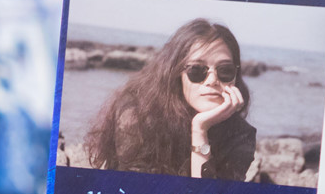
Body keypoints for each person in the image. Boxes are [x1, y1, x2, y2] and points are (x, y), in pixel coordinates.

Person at [86, 18, 256, 180]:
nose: (212, 80)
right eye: (196, 70)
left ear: (236, 76)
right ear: (176, 74)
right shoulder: (138, 114)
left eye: (225, 70)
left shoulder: (240, 134)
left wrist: (200, 130)